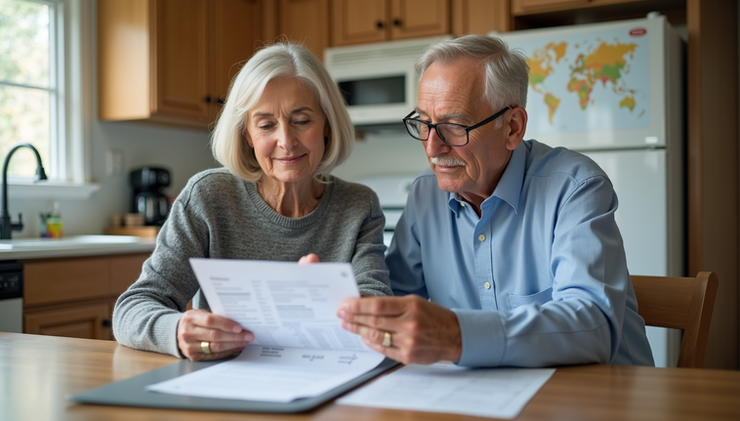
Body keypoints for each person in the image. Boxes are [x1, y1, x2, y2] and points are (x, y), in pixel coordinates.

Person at [336, 35, 655, 368]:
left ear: (513, 127)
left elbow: (594, 326)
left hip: (605, 397)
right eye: (424, 124)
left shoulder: (575, 187)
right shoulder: (425, 194)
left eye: (454, 127)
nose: (432, 149)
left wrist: (456, 334)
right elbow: (393, 299)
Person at [113, 42, 392, 361]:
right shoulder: (208, 196)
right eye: (266, 125)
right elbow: (132, 310)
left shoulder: (358, 205)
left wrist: (322, 298)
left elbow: (378, 316)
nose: (286, 141)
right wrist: (178, 332)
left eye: (302, 120)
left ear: (326, 124)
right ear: (246, 134)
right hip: (226, 382)